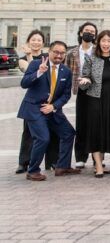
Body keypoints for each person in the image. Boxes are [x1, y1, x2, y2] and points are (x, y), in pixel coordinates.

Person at [17, 41, 80, 181]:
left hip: (52, 110)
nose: (59, 55)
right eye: (56, 52)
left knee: (68, 133)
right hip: (34, 109)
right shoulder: (36, 64)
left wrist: (54, 106)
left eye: (62, 53)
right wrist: (39, 72)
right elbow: (24, 83)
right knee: (43, 138)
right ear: (49, 52)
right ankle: (33, 171)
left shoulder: (66, 71)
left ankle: (62, 166)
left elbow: (66, 95)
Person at [79, 30, 110, 177]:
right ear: (98, 42)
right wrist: (85, 81)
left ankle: (100, 163)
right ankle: (99, 166)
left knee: (106, 131)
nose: (106, 44)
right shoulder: (91, 58)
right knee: (96, 131)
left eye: (109, 41)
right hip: (95, 99)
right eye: (103, 41)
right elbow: (85, 78)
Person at [16, 30, 59, 174]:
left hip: (49, 100)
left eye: (39, 40)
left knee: (52, 131)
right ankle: (24, 162)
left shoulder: (49, 57)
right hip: (33, 102)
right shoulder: (23, 59)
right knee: (28, 133)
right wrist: (29, 56)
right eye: (33, 40)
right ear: (28, 42)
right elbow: (29, 71)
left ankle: (52, 161)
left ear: (43, 43)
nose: (36, 42)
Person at [66, 21, 96, 169]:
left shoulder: (98, 51)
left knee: (96, 124)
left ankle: (98, 157)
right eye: (86, 30)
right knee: (82, 124)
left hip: (97, 91)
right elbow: (65, 72)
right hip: (81, 91)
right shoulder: (71, 53)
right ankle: (80, 157)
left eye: (92, 31)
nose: (89, 33)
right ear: (80, 33)